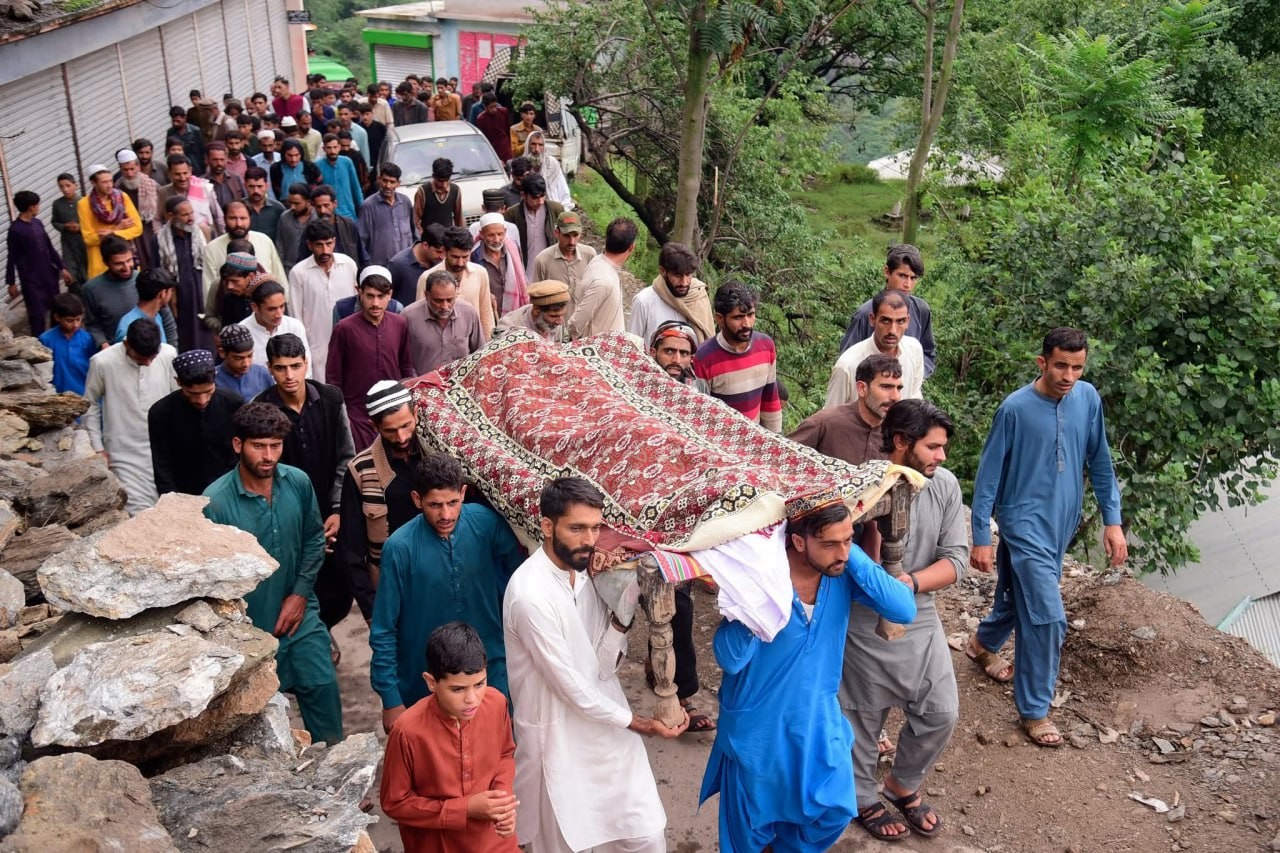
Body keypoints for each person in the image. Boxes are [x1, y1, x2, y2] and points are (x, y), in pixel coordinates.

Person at [699, 490, 917, 852]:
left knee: (833, 811)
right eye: (830, 544)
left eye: (847, 540)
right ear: (798, 542)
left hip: (818, 723)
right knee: (749, 834)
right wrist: (756, 596)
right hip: (758, 732)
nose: (841, 552)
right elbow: (731, 659)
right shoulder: (761, 579)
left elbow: (903, 609)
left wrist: (849, 551)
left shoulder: (840, 574)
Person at [503, 477, 687, 853]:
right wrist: (641, 724)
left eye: (594, 528)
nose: (589, 539)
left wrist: (622, 613)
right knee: (565, 842)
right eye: (577, 528)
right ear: (547, 526)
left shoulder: (587, 576)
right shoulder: (529, 595)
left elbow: (602, 667)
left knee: (645, 835)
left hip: (605, 728)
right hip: (556, 738)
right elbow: (570, 687)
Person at [969, 327, 1126, 748]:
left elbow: (1101, 461)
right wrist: (981, 533)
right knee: (1048, 615)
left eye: (1077, 367)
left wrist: (1112, 520)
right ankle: (1035, 710)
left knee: (1018, 595)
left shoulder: (1087, 399)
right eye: (1060, 366)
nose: (1068, 376)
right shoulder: (1014, 409)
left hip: (1061, 523)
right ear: (1042, 363)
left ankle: (982, 643)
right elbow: (988, 475)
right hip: (1022, 524)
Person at [843, 399, 966, 842]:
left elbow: (956, 560)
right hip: (861, 616)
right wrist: (879, 584)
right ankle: (861, 797)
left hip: (920, 611)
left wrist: (908, 585)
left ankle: (901, 783)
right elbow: (838, 554)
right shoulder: (860, 483)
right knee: (861, 715)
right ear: (901, 442)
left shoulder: (945, 486)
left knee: (942, 711)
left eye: (943, 447)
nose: (942, 456)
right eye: (933, 447)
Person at [202, 402, 344, 745]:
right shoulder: (215, 502)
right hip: (251, 630)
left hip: (300, 614)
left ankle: (337, 769)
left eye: (275, 446)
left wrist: (299, 596)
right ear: (238, 445)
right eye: (259, 446)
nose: (268, 456)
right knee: (261, 719)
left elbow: (313, 539)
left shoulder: (297, 482)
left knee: (323, 688)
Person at [372, 454, 523, 732]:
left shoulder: (486, 524)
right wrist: (391, 699)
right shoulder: (400, 548)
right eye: (435, 505)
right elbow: (384, 628)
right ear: (417, 500)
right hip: (426, 680)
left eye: (453, 503)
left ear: (463, 493)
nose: (446, 515)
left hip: (491, 670)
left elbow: (522, 579)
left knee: (498, 744)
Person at [379, 622, 519, 852]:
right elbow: (394, 802)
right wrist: (465, 809)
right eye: (458, 689)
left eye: (479, 684)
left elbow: (505, 754)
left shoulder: (496, 703)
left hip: (496, 841)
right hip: (438, 845)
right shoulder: (407, 731)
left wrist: (501, 801)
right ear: (431, 682)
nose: (472, 699)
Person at [257, 333, 357, 628]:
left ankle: (325, 631)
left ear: (306, 364)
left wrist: (337, 509)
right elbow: (264, 470)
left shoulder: (330, 399)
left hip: (330, 511)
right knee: (296, 585)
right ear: (269, 368)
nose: (289, 375)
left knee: (339, 590)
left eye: (295, 366)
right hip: (288, 516)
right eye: (280, 368)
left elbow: (345, 457)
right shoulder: (262, 409)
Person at [337, 380, 431, 621]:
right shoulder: (360, 471)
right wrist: (372, 611)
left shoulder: (437, 453)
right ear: (374, 426)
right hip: (393, 586)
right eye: (390, 431)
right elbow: (351, 552)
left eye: (406, 425)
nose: (401, 437)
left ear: (416, 414)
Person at [84, 319, 178, 514]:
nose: (148, 363)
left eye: (152, 357)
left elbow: (178, 398)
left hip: (166, 449)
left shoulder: (168, 354)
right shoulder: (102, 362)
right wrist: (98, 448)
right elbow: (90, 404)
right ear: (127, 344)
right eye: (142, 358)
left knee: (169, 508)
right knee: (138, 512)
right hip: (123, 452)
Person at [326, 267, 415, 449]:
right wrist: (342, 414)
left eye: (381, 296)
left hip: (394, 411)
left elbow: (406, 367)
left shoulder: (399, 324)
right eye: (370, 296)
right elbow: (333, 377)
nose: (375, 303)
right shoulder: (344, 328)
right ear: (360, 293)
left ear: (390, 295)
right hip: (358, 415)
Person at [148, 349, 243, 496]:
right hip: (183, 494)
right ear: (178, 382)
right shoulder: (161, 412)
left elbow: (240, 453)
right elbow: (161, 464)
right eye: (193, 394)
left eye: (208, 391)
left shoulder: (233, 404)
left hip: (228, 489)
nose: (202, 400)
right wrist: (171, 499)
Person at [693, 281, 783, 433]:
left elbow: (770, 399)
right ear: (720, 319)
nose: (746, 323)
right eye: (738, 317)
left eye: (750, 315)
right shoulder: (704, 357)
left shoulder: (765, 346)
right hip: (721, 440)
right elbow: (701, 412)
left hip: (755, 438)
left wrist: (776, 437)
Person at [839, 244, 937, 376]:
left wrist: (914, 375)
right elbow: (847, 361)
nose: (907, 284)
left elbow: (928, 353)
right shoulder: (865, 313)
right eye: (902, 276)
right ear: (887, 272)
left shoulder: (921, 310)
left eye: (913, 278)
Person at [790, 354, 903, 464]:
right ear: (862, 388)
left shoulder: (899, 435)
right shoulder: (825, 423)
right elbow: (783, 458)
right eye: (886, 387)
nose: (895, 396)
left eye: (899, 388)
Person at [826, 289, 924, 406]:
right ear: (872, 319)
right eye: (885, 321)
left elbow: (914, 401)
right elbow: (831, 414)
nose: (892, 330)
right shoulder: (848, 365)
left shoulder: (914, 350)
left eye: (900, 321)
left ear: (908, 321)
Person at [80, 235, 177, 350]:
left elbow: (167, 319)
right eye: (119, 263)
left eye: (129, 260)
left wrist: (172, 350)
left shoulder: (146, 280)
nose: (126, 267)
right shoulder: (91, 289)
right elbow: (92, 324)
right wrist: (103, 344)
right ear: (106, 262)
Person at [290, 218, 359, 379]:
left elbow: (357, 303)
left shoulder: (348, 264)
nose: (325, 250)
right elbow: (295, 314)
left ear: (334, 241)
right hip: (316, 346)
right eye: (319, 245)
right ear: (309, 245)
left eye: (328, 244)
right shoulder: (298, 273)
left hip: (350, 341)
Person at [201, 200, 288, 308]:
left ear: (250, 219)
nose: (239, 224)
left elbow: (279, 276)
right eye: (233, 218)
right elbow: (209, 287)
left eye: (243, 218)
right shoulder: (212, 248)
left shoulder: (264, 241)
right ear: (224, 219)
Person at [6, 190, 69, 336]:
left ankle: (57, 338)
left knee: (56, 309)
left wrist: (62, 267)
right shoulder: (15, 230)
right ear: (31, 207)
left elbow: (50, 248)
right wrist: (11, 282)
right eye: (37, 205)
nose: (39, 208)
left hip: (49, 276)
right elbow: (12, 257)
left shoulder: (37, 223)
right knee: (37, 315)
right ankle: (38, 342)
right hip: (31, 281)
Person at [628, 241, 713, 348]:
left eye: (688, 275)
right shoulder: (644, 301)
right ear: (662, 271)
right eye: (677, 276)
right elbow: (633, 344)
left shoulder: (699, 296)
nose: (684, 283)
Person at [402, 270, 487, 375]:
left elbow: (480, 354)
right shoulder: (408, 317)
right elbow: (402, 361)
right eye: (438, 301)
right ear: (426, 295)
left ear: (456, 294)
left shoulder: (468, 313)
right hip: (422, 383)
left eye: (450, 300)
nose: (444, 306)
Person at [155, 196, 210, 352]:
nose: (191, 218)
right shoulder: (160, 240)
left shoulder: (201, 233)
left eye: (191, 213)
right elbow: (158, 271)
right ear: (171, 216)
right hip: (177, 297)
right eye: (185, 215)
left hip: (201, 292)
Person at [418, 227, 494, 333]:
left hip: (472, 338)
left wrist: (489, 341)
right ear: (445, 252)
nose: (460, 263)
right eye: (455, 257)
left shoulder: (480, 273)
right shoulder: (427, 278)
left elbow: (486, 313)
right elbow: (421, 317)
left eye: (465, 257)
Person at [567, 217, 633, 340]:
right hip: (598, 347)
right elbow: (576, 323)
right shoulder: (603, 281)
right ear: (631, 247)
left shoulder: (598, 260)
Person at [78, 164, 143, 279]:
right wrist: (116, 229)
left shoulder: (122, 197)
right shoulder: (84, 204)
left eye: (110, 181)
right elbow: (88, 238)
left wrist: (111, 233)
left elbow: (137, 228)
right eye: (104, 182)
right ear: (93, 183)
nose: (109, 185)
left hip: (124, 259)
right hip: (99, 262)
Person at [245, 279, 313, 371]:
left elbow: (306, 365)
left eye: (282, 306)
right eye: (272, 309)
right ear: (255, 307)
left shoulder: (294, 326)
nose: (279, 314)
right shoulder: (244, 331)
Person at [472, 213, 528, 319]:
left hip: (515, 312)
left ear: (505, 232)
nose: (496, 240)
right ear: (482, 234)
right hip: (488, 313)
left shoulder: (513, 249)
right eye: (491, 235)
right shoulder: (474, 256)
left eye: (500, 234)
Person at [358, 163, 415, 267]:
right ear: (378, 179)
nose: (388, 186)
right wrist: (368, 265)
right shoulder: (368, 206)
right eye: (385, 180)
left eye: (392, 182)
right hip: (380, 267)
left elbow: (414, 232)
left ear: (398, 183)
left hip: (406, 265)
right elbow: (361, 241)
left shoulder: (405, 202)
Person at [39, 292, 95, 395]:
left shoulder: (87, 339)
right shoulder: (46, 340)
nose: (75, 325)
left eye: (78, 319)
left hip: (85, 394)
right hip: (59, 395)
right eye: (70, 321)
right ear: (57, 318)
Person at [503, 174, 562, 271]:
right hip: (525, 270)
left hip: (551, 269)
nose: (540, 201)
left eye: (543, 196)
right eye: (535, 198)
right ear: (523, 195)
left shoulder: (555, 210)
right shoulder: (512, 215)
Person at [158, 154, 225, 240]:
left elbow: (218, 216)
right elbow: (158, 219)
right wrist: (161, 238)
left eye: (185, 173)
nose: (182, 178)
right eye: (177, 174)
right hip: (177, 240)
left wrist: (222, 236)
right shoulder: (163, 193)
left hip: (205, 237)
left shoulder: (204, 187)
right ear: (170, 174)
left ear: (190, 171)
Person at [114, 148, 159, 270]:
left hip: (150, 229)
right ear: (120, 169)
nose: (129, 173)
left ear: (138, 167)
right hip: (131, 233)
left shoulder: (151, 185)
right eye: (125, 170)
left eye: (132, 169)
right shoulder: (117, 189)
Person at [531, 211, 594, 293]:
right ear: (557, 233)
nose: (572, 242)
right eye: (566, 236)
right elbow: (535, 294)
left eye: (575, 235)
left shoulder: (589, 255)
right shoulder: (542, 260)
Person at [387, 226, 445, 307]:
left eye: (445, 252)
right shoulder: (398, 265)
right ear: (425, 245)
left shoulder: (441, 261)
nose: (442, 257)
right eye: (438, 252)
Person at [114, 267, 174, 344]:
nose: (171, 294)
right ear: (162, 293)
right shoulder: (127, 327)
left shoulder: (156, 316)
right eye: (171, 291)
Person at [497, 279, 569, 343]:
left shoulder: (557, 323)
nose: (560, 322)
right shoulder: (508, 328)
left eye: (562, 315)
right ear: (536, 310)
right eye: (553, 316)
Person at [215, 322, 274, 400]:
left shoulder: (263, 374)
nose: (246, 364)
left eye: (250, 356)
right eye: (238, 358)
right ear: (222, 353)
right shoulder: (213, 379)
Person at [51, 173, 88, 289]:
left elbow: (93, 223)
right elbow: (54, 222)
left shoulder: (84, 202)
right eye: (61, 186)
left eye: (68, 185)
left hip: (84, 242)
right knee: (72, 275)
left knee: (87, 271)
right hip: (68, 244)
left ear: (75, 185)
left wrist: (80, 227)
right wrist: (64, 226)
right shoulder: (57, 204)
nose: (65, 189)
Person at [649, 321, 707, 392]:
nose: (677, 360)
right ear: (653, 353)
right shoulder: (639, 381)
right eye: (669, 351)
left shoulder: (698, 388)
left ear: (691, 359)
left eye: (684, 353)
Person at [316, 134, 363, 220]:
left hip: (348, 213)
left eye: (335, 147)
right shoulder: (318, 165)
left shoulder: (347, 162)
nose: (332, 151)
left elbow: (355, 188)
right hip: (327, 214)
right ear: (324, 149)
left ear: (339, 147)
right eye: (329, 148)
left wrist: (362, 209)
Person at [413, 158, 464, 232]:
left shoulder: (455, 190)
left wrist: (460, 234)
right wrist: (420, 235)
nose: (444, 185)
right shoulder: (423, 192)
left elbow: (459, 218)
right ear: (434, 176)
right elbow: (415, 220)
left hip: (448, 236)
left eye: (447, 180)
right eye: (441, 181)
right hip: (428, 237)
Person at [523, 131, 571, 207]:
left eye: (540, 145)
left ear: (544, 146)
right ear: (528, 145)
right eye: (533, 144)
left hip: (551, 205)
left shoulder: (552, 163)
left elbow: (563, 191)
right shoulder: (521, 164)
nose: (537, 149)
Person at [276, 182, 314, 276]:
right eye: (290, 203)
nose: (292, 207)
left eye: (297, 203)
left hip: (313, 269)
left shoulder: (317, 218)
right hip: (290, 270)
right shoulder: (285, 218)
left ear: (308, 202)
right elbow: (280, 246)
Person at [244, 166, 285, 241]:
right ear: (245, 186)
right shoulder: (239, 207)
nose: (256, 191)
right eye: (251, 186)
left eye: (260, 186)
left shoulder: (278, 208)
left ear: (267, 186)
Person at [204, 142, 247, 212]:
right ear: (207, 160)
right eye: (215, 160)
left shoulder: (236, 178)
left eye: (222, 159)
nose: (219, 163)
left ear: (226, 159)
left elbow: (245, 200)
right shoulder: (202, 182)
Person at [168, 105, 206, 174]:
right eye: (173, 121)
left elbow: (202, 150)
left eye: (178, 121)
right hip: (180, 168)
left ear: (184, 118)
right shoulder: (170, 132)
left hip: (197, 167)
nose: (175, 123)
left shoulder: (195, 131)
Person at [474, 94, 511, 161]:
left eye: (495, 106)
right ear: (485, 106)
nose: (494, 109)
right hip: (492, 148)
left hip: (505, 146)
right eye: (491, 107)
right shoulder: (481, 118)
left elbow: (508, 129)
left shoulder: (503, 112)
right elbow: (483, 137)